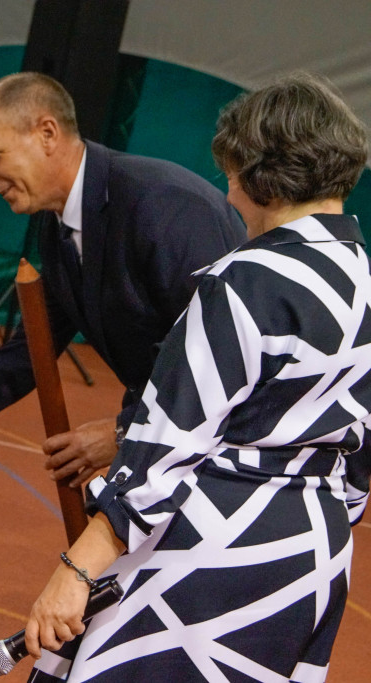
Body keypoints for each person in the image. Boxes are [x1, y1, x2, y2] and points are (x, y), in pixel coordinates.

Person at [24, 72, 371, 682]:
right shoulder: (363, 278)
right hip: (314, 553)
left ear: (260, 173)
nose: (229, 196)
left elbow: (164, 448)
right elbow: (359, 470)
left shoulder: (246, 279)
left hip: (213, 548)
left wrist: (76, 572)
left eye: (231, 174)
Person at [0, 71, 246, 488]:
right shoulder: (57, 230)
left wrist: (121, 433)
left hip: (235, 462)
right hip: (172, 441)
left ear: (47, 134)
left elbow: (223, 356)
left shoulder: (165, 206)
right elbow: (27, 354)